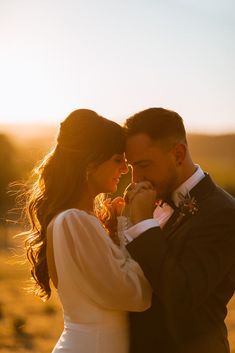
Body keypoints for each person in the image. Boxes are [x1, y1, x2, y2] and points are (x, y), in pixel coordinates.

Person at [22, 109, 152, 353]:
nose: (125, 169)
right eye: (117, 159)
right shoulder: (75, 221)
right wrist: (132, 224)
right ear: (90, 163)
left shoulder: (74, 220)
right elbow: (136, 295)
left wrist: (115, 234)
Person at [122, 107, 235, 353]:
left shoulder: (224, 213)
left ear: (178, 154)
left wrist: (142, 223)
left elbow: (182, 295)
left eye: (143, 165)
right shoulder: (154, 199)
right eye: (131, 167)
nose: (135, 179)